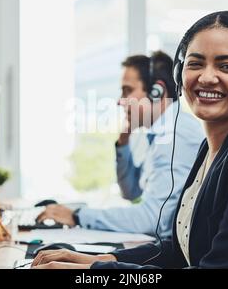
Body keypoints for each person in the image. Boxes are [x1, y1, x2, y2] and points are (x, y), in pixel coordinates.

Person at [31, 11, 228, 269]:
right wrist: (99, 260)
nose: (207, 77)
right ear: (180, 73)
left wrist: (98, 274)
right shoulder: (212, 148)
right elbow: (179, 249)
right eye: (196, 63)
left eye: (227, 66)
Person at [36, 51, 203, 237]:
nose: (119, 101)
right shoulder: (159, 132)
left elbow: (152, 218)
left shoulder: (175, 135)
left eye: (127, 91)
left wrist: (77, 216)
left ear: (157, 91)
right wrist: (123, 142)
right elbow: (131, 191)